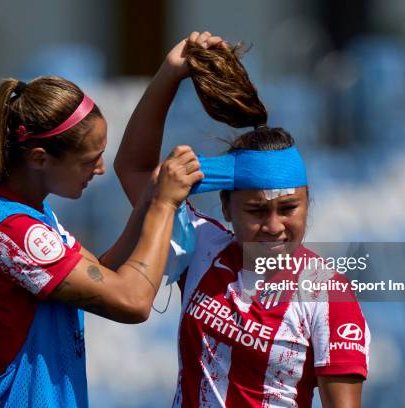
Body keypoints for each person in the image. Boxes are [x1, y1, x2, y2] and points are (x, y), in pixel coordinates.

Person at [115, 32, 370, 407]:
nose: (273, 226)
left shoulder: (328, 294)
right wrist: (169, 74)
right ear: (225, 208)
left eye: (288, 209)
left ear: (308, 203)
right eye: (255, 211)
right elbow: (135, 169)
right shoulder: (199, 245)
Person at [0, 76, 203, 406]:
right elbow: (132, 300)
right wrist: (165, 205)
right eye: (90, 159)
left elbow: (101, 272)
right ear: (39, 159)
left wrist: (149, 199)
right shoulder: (15, 232)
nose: (101, 168)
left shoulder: (31, 213)